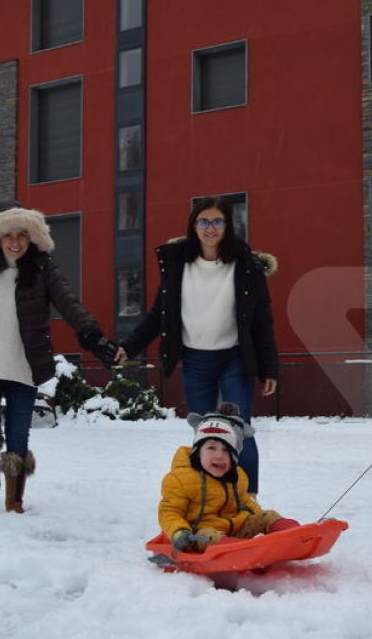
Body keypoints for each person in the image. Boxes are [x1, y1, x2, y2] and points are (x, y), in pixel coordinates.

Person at [0, 200, 119, 513]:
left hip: (25, 366)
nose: (15, 241)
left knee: (18, 434)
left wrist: (93, 336)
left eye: (22, 235)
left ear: (32, 237)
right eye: (8, 235)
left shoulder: (42, 270)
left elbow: (68, 303)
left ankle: (14, 500)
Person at [117, 196, 279, 495]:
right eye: (204, 221)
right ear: (194, 225)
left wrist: (269, 367)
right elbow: (158, 315)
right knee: (205, 432)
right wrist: (130, 346)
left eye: (218, 221)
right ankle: (209, 497)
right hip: (195, 361)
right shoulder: (178, 264)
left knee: (239, 427)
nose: (210, 227)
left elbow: (262, 320)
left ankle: (248, 498)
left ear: (227, 226)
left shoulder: (246, 266)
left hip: (235, 358)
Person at [158, 402, 298, 552]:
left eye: (226, 450)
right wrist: (179, 531)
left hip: (235, 533)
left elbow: (246, 503)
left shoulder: (237, 476)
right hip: (198, 538)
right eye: (211, 448)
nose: (219, 455)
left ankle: (294, 536)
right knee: (209, 534)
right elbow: (170, 512)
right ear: (198, 452)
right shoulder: (180, 479)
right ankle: (235, 551)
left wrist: (261, 517)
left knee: (269, 515)